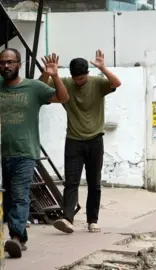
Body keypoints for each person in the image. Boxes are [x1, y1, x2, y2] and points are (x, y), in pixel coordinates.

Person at [40, 50, 122, 234]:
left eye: (82, 78)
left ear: (88, 74)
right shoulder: (66, 83)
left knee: (94, 183)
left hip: (95, 140)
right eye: (76, 78)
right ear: (71, 76)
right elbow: (40, 87)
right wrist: (48, 72)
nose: (79, 82)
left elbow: (116, 83)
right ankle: (67, 219)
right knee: (71, 182)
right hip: (73, 140)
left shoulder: (97, 83)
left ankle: (92, 220)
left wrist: (103, 67)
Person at [0, 49, 69, 258]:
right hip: (3, 153)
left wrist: (54, 75)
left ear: (19, 64)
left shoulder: (33, 87)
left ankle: (16, 238)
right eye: (2, 63)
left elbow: (62, 97)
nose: (6, 66)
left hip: (25, 152)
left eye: (10, 62)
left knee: (20, 196)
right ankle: (21, 237)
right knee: (9, 199)